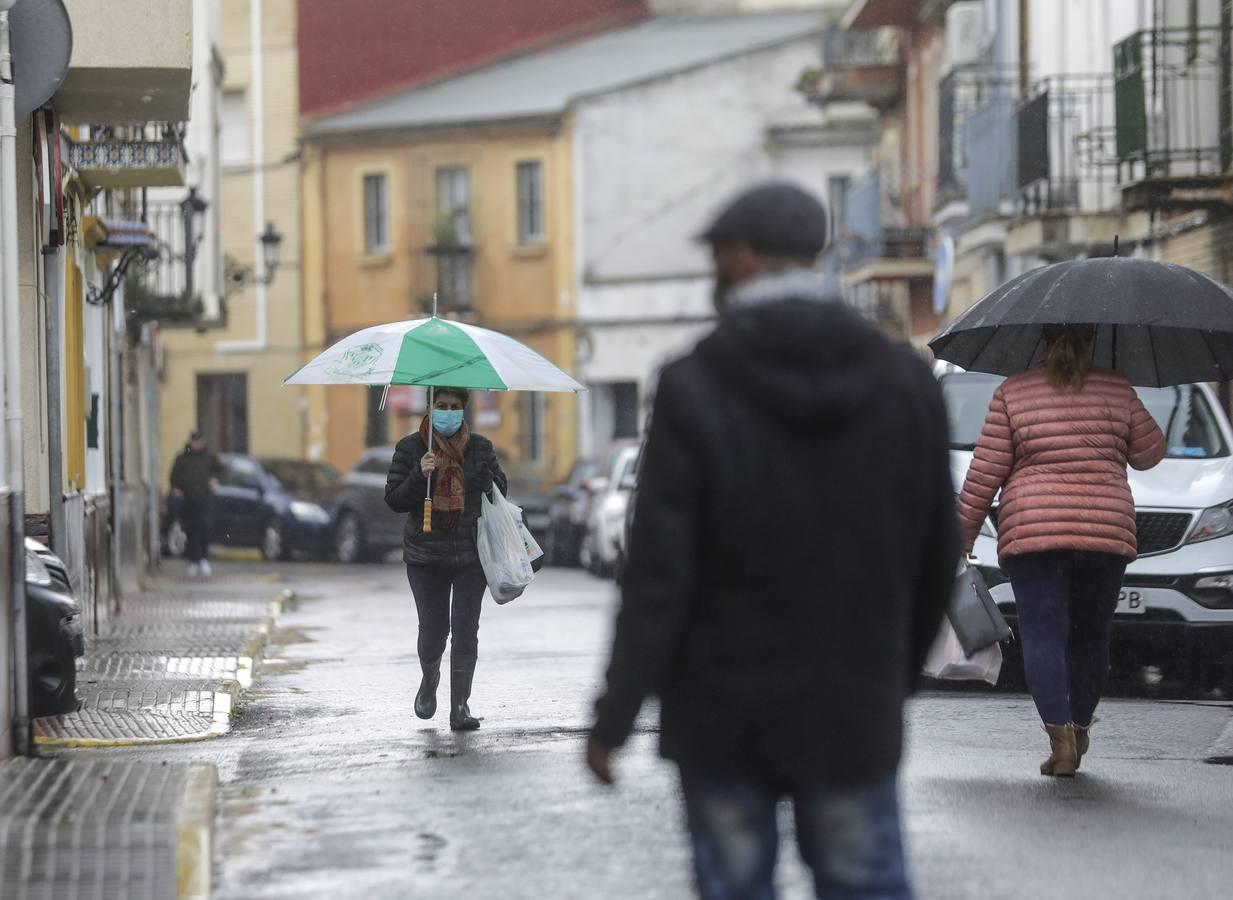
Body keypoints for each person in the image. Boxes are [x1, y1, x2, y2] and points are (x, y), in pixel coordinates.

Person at [586, 183, 958, 900]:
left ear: (744, 258)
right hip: (852, 705)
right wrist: (893, 678)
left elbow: (659, 569)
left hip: (721, 713)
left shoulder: (692, 382)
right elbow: (937, 549)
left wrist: (615, 715)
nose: (716, 275)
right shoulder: (902, 381)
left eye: (719, 259)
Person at [957, 324, 1166, 778]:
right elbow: (1150, 453)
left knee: (1044, 636)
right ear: (1092, 341)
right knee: (1092, 635)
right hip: (1104, 534)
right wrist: (1117, 399)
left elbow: (985, 472)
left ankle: (1061, 742)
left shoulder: (1014, 392)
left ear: (1042, 342)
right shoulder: (1116, 386)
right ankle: (1082, 725)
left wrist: (963, 536)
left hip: (1035, 532)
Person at [386, 387, 507, 731]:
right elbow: (393, 499)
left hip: (471, 554)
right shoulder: (411, 448)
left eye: (455, 407)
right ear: (430, 407)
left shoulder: (480, 447)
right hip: (426, 556)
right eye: (442, 406)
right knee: (434, 630)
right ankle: (429, 676)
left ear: (464, 410)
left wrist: (487, 481)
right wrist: (418, 475)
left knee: (467, 628)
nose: (448, 412)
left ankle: (460, 706)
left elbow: (501, 490)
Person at [169, 429, 222, 577]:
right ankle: (193, 561)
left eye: (199, 441)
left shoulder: (209, 457)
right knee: (191, 530)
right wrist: (176, 489)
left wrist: (215, 480)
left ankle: (204, 559)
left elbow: (219, 471)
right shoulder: (182, 458)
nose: (196, 444)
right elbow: (173, 477)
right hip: (188, 500)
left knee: (204, 529)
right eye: (194, 441)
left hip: (205, 500)